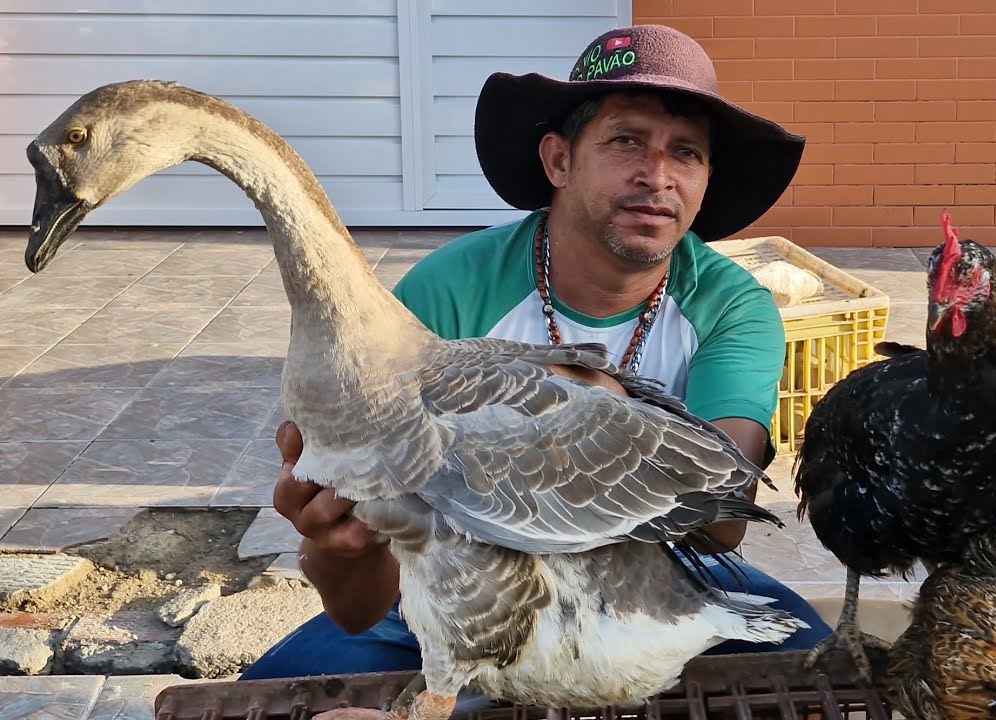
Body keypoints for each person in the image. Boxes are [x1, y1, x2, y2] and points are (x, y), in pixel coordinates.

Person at [239, 23, 830, 683]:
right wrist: (338, 544)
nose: (657, 176)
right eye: (626, 140)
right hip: (453, 602)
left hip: (639, 588)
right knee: (282, 690)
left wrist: (589, 415)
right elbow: (359, 598)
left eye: (685, 152)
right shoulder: (445, 295)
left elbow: (718, 523)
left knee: (818, 671)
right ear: (559, 160)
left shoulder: (731, 306)